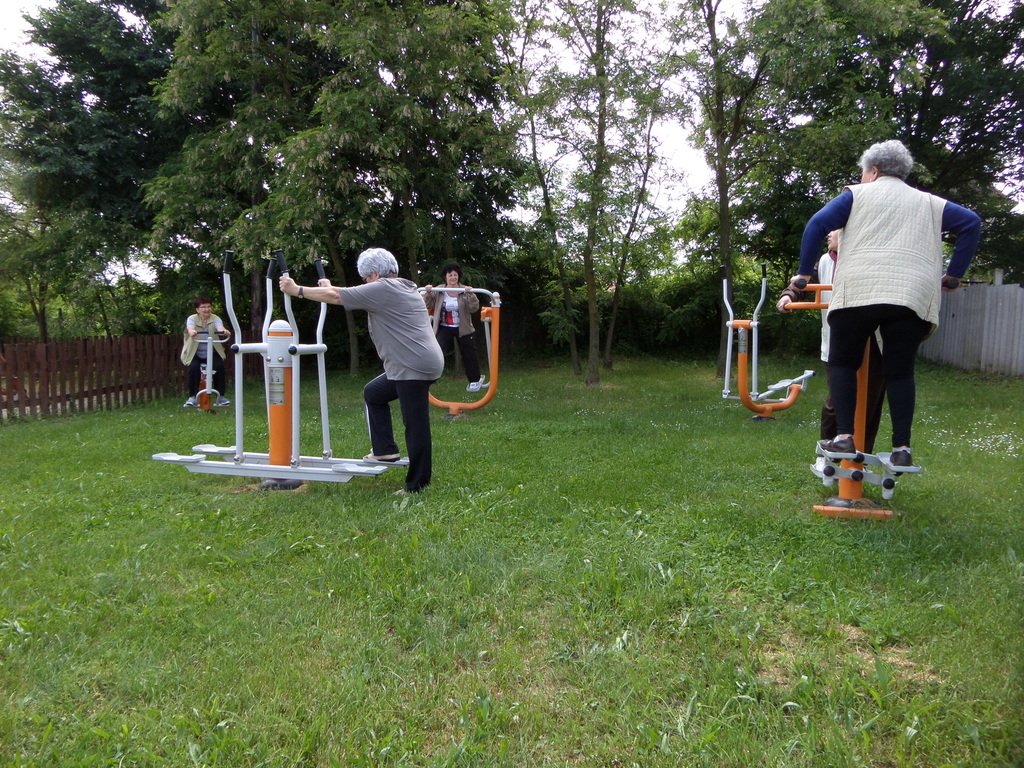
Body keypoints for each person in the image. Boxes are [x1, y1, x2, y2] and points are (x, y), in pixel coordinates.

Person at [791, 140, 981, 468]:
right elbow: (971, 223)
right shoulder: (929, 202)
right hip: (910, 296)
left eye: (863, 173)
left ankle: (844, 436)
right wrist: (954, 275)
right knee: (900, 371)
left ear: (874, 171)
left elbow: (816, 225)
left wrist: (804, 274)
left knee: (842, 362)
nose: (862, 179)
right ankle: (902, 448)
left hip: (859, 290)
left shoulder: (856, 195)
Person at [278, 248, 444, 494]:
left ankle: (417, 485)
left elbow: (337, 296)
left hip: (412, 365)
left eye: (366, 278)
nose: (365, 283)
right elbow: (343, 292)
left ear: (375, 274)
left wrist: (297, 290)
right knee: (374, 393)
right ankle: (385, 450)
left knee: (415, 424)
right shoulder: (403, 286)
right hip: (417, 362)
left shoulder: (384, 288)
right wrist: (330, 288)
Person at [778, 230, 886, 453]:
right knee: (835, 402)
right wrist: (789, 295)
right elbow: (804, 281)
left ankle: (861, 455)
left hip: (872, 342)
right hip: (837, 340)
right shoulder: (825, 261)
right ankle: (828, 452)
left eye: (834, 229)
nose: (828, 234)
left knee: (869, 403)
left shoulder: (868, 257)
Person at [423, 262, 488, 392]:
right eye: (450, 275)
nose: (453, 277)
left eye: (455, 275)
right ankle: (427, 379)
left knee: (469, 354)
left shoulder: (465, 290)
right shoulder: (439, 290)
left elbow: (474, 308)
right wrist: (428, 293)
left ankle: (475, 380)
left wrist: (472, 295)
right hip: (444, 327)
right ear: (445, 277)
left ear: (458, 276)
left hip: (462, 327)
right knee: (437, 352)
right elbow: (428, 305)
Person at [181, 296, 230, 407]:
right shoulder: (192, 318)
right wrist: (192, 331)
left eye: (209, 306)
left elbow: (220, 327)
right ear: (197, 309)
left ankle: (221, 397)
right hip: (195, 352)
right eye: (203, 307)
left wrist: (223, 331)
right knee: (194, 368)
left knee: (219, 367)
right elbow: (190, 328)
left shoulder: (215, 318)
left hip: (211, 352)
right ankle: (192, 397)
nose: (207, 309)